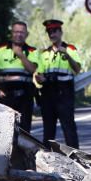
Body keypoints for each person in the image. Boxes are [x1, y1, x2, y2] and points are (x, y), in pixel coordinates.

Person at [33, 19, 82, 148]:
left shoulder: (70, 49)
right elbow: (40, 73)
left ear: (61, 32)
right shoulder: (44, 54)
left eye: (54, 31)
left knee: (68, 127)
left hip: (64, 93)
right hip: (48, 93)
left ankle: (75, 157)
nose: (52, 35)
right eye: (49, 32)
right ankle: (47, 159)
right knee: (48, 129)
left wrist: (67, 55)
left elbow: (77, 69)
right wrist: (39, 78)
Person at [0, 20, 38, 132]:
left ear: (27, 34)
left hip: (25, 98)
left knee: (24, 132)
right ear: (11, 33)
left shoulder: (32, 52)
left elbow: (32, 70)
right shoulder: (0, 51)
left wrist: (21, 55)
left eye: (21, 32)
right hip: (5, 98)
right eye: (16, 32)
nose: (18, 35)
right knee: (5, 131)